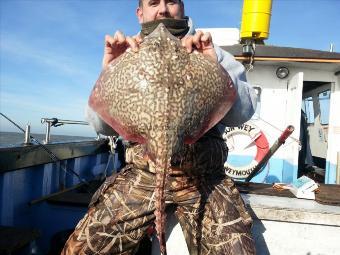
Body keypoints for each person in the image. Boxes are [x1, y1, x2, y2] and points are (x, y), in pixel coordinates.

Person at [62, 0, 257, 254]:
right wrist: (109, 69)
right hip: (142, 176)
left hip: (203, 179)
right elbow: (103, 127)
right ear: (140, 13)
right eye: (154, 3)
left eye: (171, 2)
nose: (163, 10)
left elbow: (241, 114)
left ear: (183, 8)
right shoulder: (128, 52)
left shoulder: (209, 49)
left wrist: (215, 67)